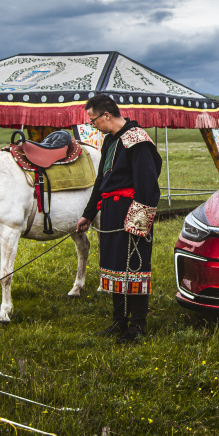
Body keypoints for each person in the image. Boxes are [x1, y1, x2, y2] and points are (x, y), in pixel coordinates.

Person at [76, 95, 162, 343]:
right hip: (112, 213)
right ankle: (118, 321)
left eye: (93, 121)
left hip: (132, 211)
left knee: (134, 266)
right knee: (114, 267)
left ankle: (137, 325)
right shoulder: (110, 141)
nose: (93, 126)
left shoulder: (137, 139)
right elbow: (101, 182)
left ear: (106, 115)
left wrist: (139, 221)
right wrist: (89, 213)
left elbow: (148, 184)